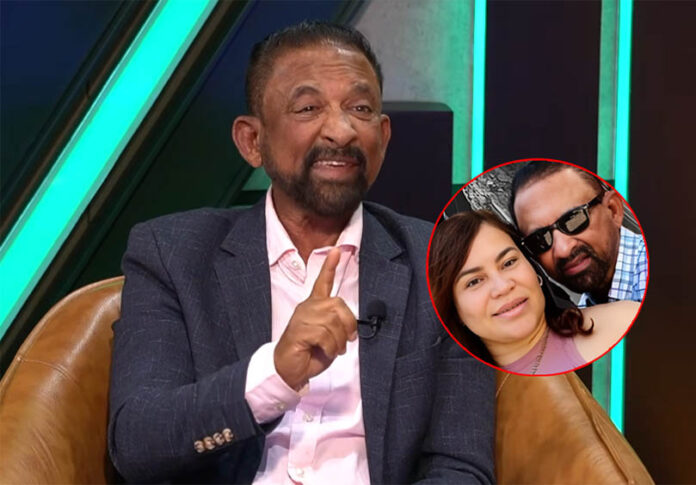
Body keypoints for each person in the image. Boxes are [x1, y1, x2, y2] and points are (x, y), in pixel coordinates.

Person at [108, 21, 495, 483]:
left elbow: (460, 465)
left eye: (360, 108)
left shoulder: (442, 264)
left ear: (384, 136)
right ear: (252, 141)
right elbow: (138, 443)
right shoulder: (173, 256)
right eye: (308, 107)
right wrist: (273, 374)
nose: (341, 130)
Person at [428, 210, 639, 375]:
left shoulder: (622, 322)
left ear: (534, 268)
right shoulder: (460, 400)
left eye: (509, 262)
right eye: (474, 281)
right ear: (454, 309)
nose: (503, 287)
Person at [510, 160, 647, 307]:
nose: (563, 250)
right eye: (539, 240)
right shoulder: (584, 312)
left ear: (613, 210)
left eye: (574, 220)